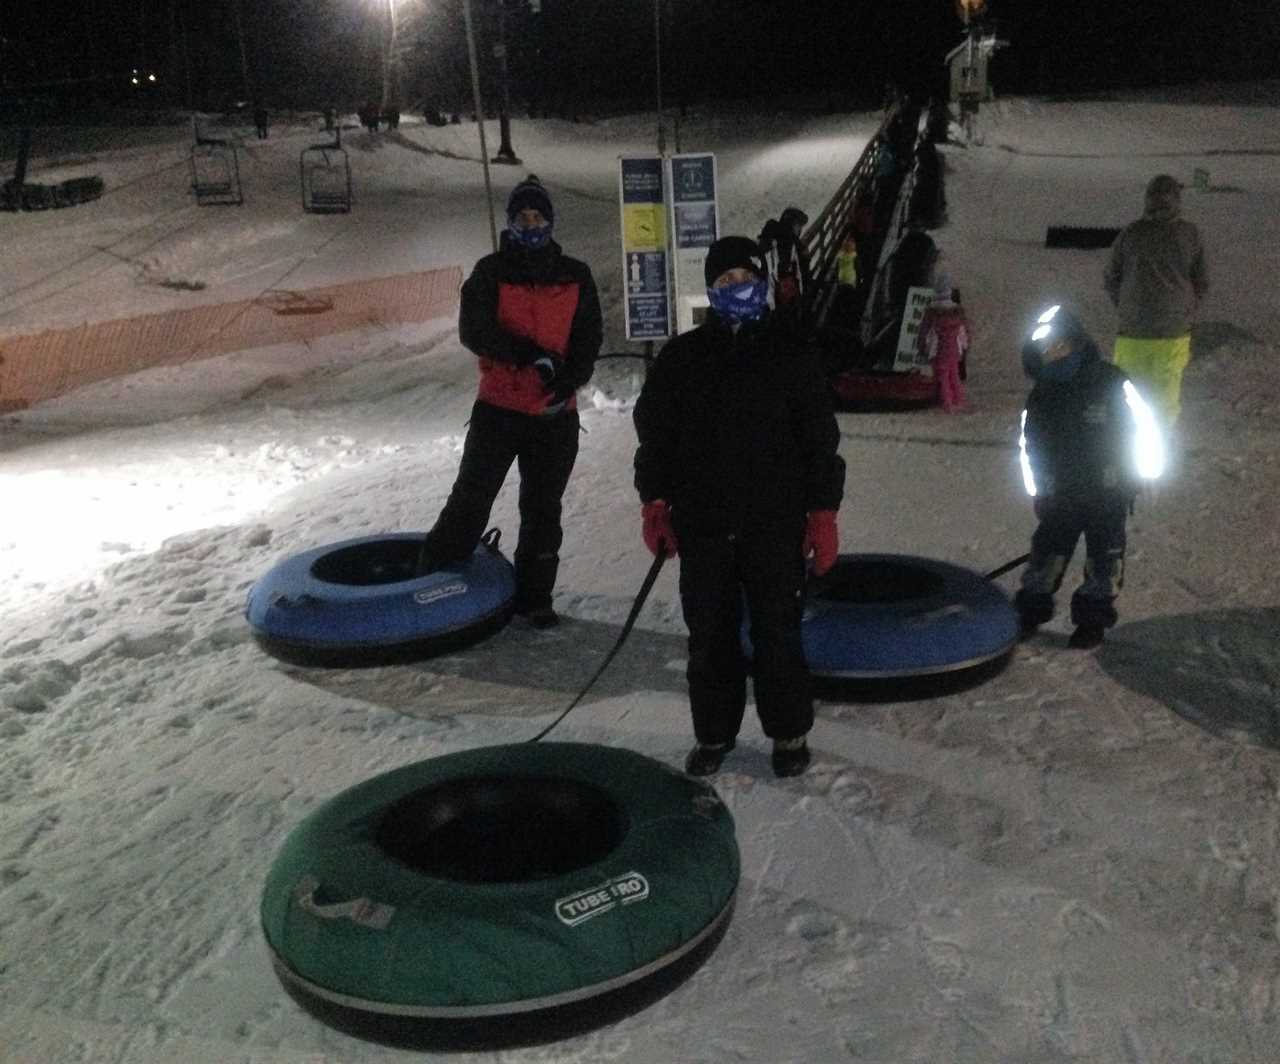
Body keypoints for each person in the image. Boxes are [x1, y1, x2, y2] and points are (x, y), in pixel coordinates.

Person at [633, 236, 846, 778]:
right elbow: (655, 437)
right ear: (710, 290)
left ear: (764, 281)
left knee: (778, 631)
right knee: (710, 636)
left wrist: (822, 510)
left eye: (745, 279)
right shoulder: (682, 359)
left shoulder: (792, 352)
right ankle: (714, 733)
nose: (737, 290)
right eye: (725, 282)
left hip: (774, 522)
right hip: (703, 523)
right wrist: (655, 502)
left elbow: (820, 439)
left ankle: (788, 732)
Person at [419, 175, 603, 628]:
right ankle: (428, 583)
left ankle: (534, 598)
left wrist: (570, 379)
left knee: (543, 510)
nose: (531, 223)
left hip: (553, 416)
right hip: (499, 411)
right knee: (470, 499)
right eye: (523, 216)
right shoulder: (490, 271)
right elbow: (474, 331)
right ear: (510, 221)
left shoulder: (575, 275)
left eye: (538, 216)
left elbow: (588, 338)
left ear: (551, 221)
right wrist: (527, 355)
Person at [1015, 304, 1165, 649]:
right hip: (1061, 494)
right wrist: (1039, 489)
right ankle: (1030, 610)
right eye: (1046, 350)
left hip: (1107, 493)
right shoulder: (1042, 396)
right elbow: (1029, 446)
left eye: (1059, 345)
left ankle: (1092, 620)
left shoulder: (1111, 382)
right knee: (1047, 554)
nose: (1054, 354)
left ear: (1076, 343)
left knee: (1104, 559)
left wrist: (1146, 470)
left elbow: (1143, 427)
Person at [1103, 174, 1209, 432]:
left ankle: (1129, 442)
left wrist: (1126, 305)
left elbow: (1111, 276)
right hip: (1172, 332)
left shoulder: (1131, 234)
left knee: (1128, 391)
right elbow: (1201, 280)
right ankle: (1160, 446)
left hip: (1133, 330)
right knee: (1166, 394)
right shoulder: (1189, 234)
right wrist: (1186, 308)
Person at [917, 273, 968, 412]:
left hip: (938, 349)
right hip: (954, 349)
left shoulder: (932, 312)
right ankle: (958, 399)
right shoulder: (957, 311)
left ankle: (946, 402)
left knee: (942, 377)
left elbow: (923, 331)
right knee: (954, 374)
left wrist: (921, 346)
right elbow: (964, 332)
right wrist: (964, 348)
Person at [757, 206, 812, 331]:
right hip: (784, 299)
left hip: (767, 299)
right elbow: (800, 272)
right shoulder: (791, 242)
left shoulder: (767, 238)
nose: (800, 230)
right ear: (793, 224)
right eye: (799, 226)